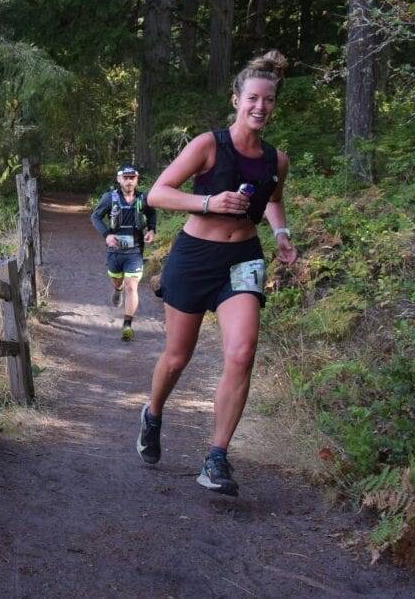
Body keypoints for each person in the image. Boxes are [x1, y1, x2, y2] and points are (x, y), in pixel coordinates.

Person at [136, 51, 299, 497]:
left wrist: (281, 232)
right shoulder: (209, 145)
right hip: (194, 257)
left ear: (274, 105)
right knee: (177, 357)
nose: (260, 107)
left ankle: (216, 457)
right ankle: (152, 412)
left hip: (243, 258)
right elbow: (157, 194)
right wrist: (210, 202)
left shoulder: (275, 159)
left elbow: (273, 198)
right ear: (236, 99)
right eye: (252, 98)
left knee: (243, 352)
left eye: (268, 100)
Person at [90, 165, 157, 341]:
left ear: (137, 179)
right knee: (118, 281)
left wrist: (152, 230)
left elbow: (151, 214)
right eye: (125, 178)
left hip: (135, 250)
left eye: (132, 177)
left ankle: (127, 325)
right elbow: (95, 217)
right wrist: (107, 235)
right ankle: (117, 289)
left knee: (131, 286)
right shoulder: (109, 198)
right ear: (119, 179)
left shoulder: (143, 198)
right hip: (115, 251)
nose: (129, 181)